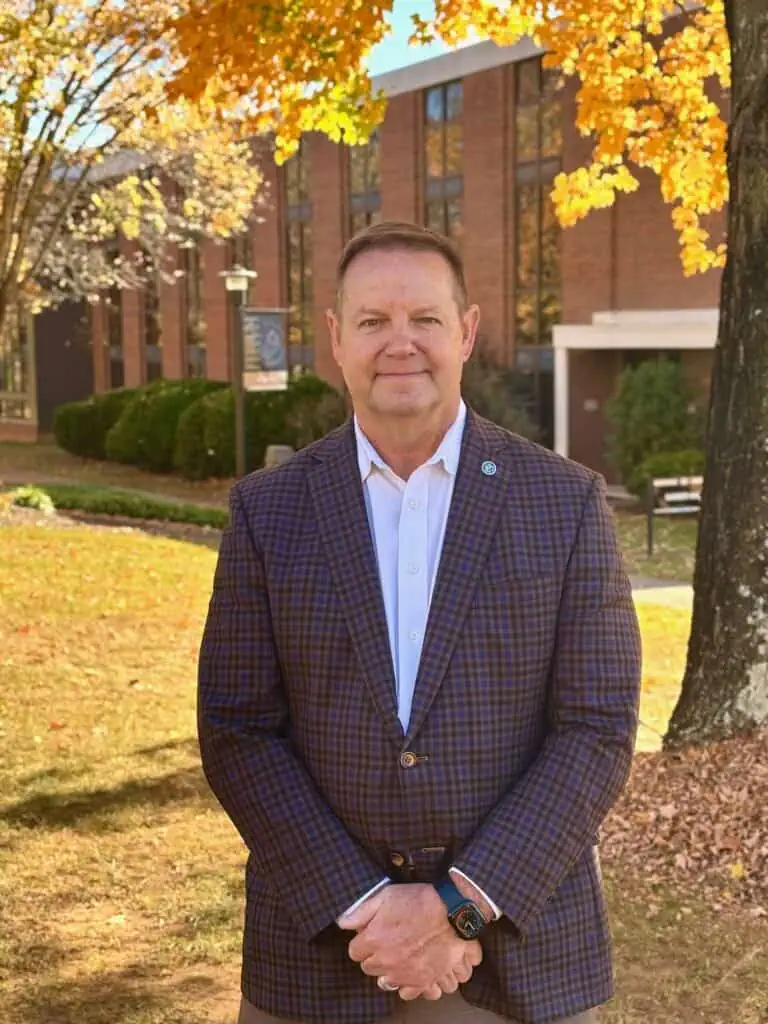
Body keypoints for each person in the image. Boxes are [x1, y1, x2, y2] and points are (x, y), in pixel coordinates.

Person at [197, 221, 642, 1024]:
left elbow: (597, 730)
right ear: (336, 339)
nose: (399, 342)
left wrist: (458, 910)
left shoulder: (565, 504)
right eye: (372, 321)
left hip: (512, 958)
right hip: (320, 959)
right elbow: (237, 731)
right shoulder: (269, 511)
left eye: (425, 320)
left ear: (466, 331)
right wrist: (364, 906)